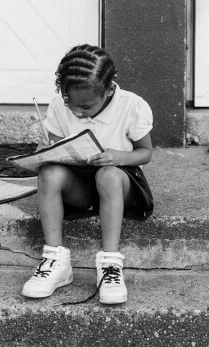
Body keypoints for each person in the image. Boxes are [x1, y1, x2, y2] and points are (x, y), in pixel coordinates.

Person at [21, 44, 154, 305]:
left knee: (108, 175)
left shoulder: (131, 105)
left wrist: (119, 157)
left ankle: (110, 264)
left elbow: (145, 153)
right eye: (72, 103)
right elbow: (56, 147)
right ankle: (55, 260)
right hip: (78, 186)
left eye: (87, 106)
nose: (78, 112)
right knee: (49, 172)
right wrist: (45, 152)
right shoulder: (61, 105)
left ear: (108, 89)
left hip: (118, 184)